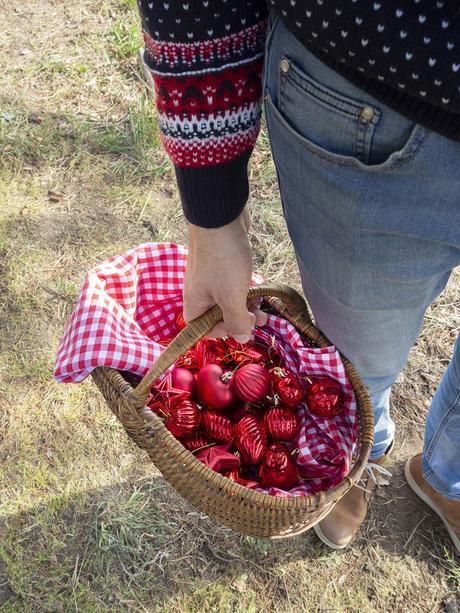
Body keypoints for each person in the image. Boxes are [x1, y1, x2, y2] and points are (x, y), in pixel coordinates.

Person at [136, 1, 460, 551]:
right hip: (374, 103)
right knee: (357, 358)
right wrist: (213, 211)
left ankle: (448, 474)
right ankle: (360, 452)